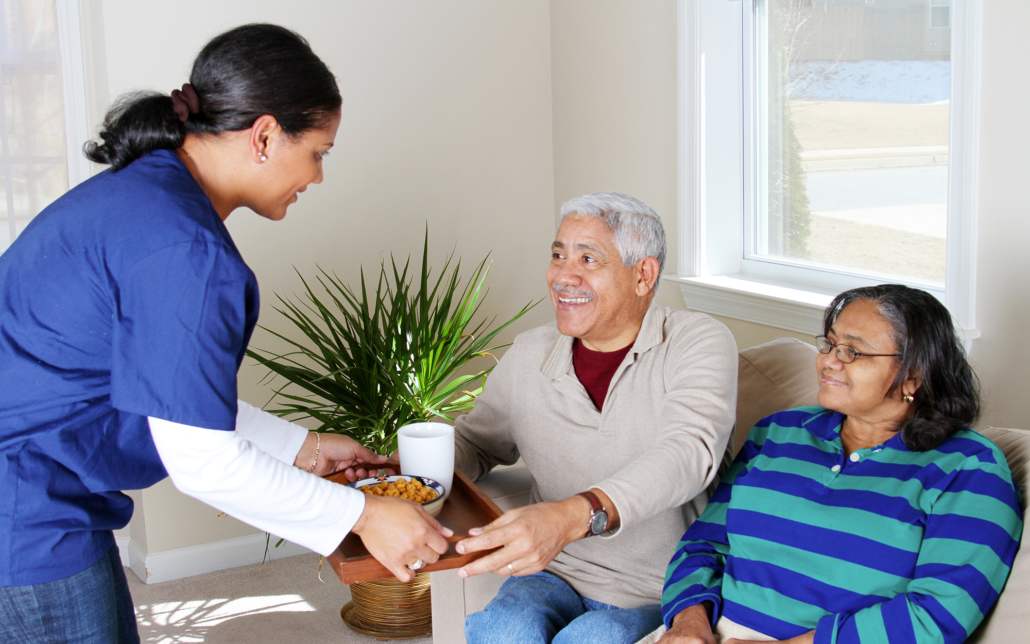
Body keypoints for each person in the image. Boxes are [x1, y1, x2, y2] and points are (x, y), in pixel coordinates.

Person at [0, 24, 450, 643]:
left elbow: (170, 395)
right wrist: (367, 513)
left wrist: (306, 449)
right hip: (25, 509)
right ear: (265, 135)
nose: (317, 177)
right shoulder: (187, 253)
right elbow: (206, 464)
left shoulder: (147, 195)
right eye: (318, 152)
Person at [657, 284, 1023, 644]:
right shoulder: (779, 432)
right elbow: (703, 544)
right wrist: (687, 624)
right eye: (830, 344)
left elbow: (939, 612)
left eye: (853, 352)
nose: (829, 360)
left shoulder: (970, 469)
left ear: (913, 374)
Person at [452, 192, 738, 644]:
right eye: (558, 255)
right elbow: (475, 442)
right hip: (556, 572)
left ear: (643, 274)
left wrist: (573, 515)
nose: (564, 276)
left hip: (661, 588)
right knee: (503, 632)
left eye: (589, 259)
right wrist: (405, 475)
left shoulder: (697, 341)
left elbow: (689, 453)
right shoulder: (530, 352)